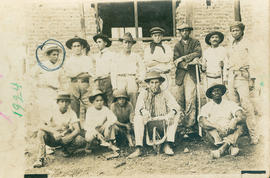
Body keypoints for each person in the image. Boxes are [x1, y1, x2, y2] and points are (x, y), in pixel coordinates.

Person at [128, 71, 181, 158]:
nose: (154, 85)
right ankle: (138, 148)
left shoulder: (165, 93)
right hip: (148, 121)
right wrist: (144, 112)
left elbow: (176, 106)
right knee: (137, 118)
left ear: (160, 83)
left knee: (176, 115)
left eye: (156, 82)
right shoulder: (143, 93)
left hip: (162, 120)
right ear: (148, 84)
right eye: (152, 83)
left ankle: (167, 144)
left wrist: (171, 113)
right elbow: (138, 108)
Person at [33, 92, 85, 168]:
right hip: (52, 138)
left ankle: (66, 151)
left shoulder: (71, 113)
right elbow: (40, 125)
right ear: (58, 102)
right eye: (62, 101)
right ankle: (40, 159)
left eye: (67, 101)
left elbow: (77, 129)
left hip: (64, 138)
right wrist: (54, 132)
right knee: (41, 133)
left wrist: (69, 137)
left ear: (69, 103)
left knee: (80, 140)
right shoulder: (51, 110)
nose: (64, 104)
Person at [227, 21, 259, 144]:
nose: (235, 32)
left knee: (247, 106)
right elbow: (228, 62)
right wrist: (226, 78)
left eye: (237, 30)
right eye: (233, 30)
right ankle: (238, 133)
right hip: (231, 77)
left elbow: (253, 61)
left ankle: (254, 135)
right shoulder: (231, 44)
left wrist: (252, 79)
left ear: (242, 31)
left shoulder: (247, 44)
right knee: (234, 106)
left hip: (243, 77)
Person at [198, 83, 245, 159]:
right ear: (211, 94)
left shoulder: (230, 104)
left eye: (218, 90)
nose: (216, 92)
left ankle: (221, 150)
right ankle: (230, 146)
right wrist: (217, 126)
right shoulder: (206, 107)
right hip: (215, 133)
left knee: (240, 126)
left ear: (222, 92)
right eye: (214, 91)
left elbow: (242, 115)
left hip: (229, 131)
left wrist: (235, 121)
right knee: (208, 128)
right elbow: (202, 122)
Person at [173, 23, 202, 134]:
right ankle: (181, 125)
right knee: (179, 99)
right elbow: (175, 60)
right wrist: (185, 64)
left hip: (192, 74)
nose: (184, 32)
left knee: (190, 99)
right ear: (180, 32)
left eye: (186, 30)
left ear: (189, 32)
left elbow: (198, 53)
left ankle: (190, 125)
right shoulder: (177, 45)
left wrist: (184, 58)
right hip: (180, 74)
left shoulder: (195, 42)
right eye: (182, 31)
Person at [62, 36, 94, 128]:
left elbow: (89, 74)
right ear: (71, 48)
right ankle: (76, 129)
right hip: (73, 85)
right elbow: (68, 74)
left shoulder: (87, 59)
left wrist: (75, 74)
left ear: (82, 47)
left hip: (85, 85)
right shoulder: (69, 60)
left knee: (90, 107)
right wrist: (81, 72)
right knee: (74, 108)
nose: (76, 48)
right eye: (74, 46)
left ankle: (89, 128)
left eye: (78, 46)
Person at [111, 32, 146, 108]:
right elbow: (113, 72)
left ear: (132, 44)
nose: (127, 45)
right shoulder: (117, 56)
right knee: (120, 98)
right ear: (122, 44)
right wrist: (114, 87)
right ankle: (121, 119)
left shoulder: (136, 56)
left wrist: (140, 78)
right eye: (125, 42)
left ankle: (134, 118)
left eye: (129, 43)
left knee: (133, 96)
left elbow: (142, 68)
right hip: (120, 79)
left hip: (131, 79)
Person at [34, 44, 63, 123]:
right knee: (44, 113)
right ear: (48, 55)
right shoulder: (42, 65)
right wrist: (37, 85)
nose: (56, 57)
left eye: (57, 55)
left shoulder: (58, 67)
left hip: (54, 93)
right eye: (54, 55)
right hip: (44, 92)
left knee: (55, 112)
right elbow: (31, 76)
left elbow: (61, 81)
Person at [84, 90, 119, 154]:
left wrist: (108, 125)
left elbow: (114, 118)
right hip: (93, 130)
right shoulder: (90, 111)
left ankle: (111, 144)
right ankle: (89, 145)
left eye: (101, 100)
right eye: (97, 101)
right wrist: (97, 134)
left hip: (101, 128)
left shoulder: (105, 109)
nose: (99, 102)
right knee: (89, 137)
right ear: (93, 102)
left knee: (111, 124)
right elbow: (88, 126)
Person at [93, 33, 114, 106]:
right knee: (101, 103)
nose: (97, 44)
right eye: (97, 42)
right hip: (99, 82)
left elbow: (113, 70)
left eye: (99, 42)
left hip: (107, 80)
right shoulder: (97, 56)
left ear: (105, 43)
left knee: (110, 102)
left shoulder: (111, 55)